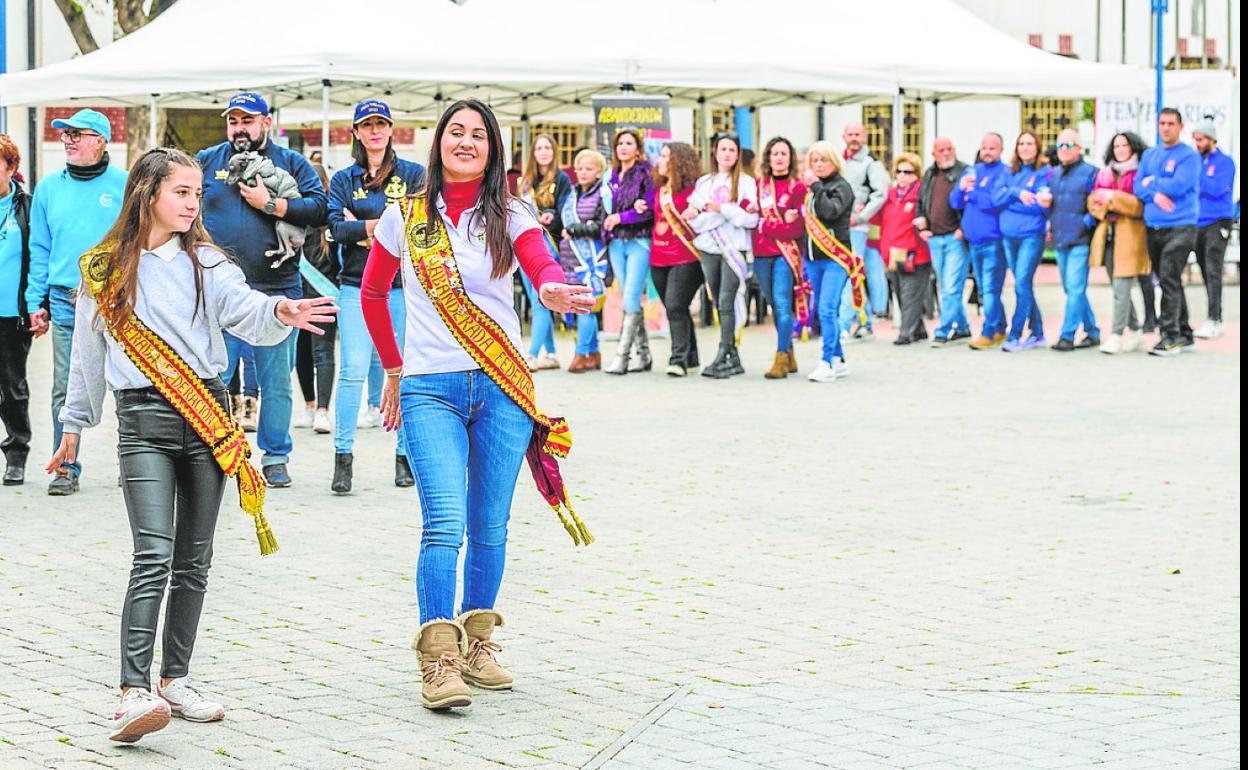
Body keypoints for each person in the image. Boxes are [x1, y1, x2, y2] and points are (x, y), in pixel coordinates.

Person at [50, 147, 336, 744]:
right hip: (143, 422)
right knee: (152, 554)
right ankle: (132, 691)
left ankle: (174, 680)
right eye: (182, 191)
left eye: (197, 194)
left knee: (194, 562)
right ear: (148, 191)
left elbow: (248, 310)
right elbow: (87, 357)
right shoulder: (104, 269)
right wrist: (73, 428)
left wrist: (281, 307)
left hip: (208, 417)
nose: (192, 203)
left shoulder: (208, 263)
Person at [359, 99, 594, 711]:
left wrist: (550, 289)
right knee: (444, 521)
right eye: (455, 132)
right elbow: (373, 290)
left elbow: (539, 263)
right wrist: (391, 365)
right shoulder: (405, 216)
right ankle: (437, 658)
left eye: (478, 135)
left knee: (489, 524)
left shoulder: (510, 210)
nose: (465, 142)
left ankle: (478, 644)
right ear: (439, 143)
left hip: (501, 387)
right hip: (430, 388)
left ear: (493, 148)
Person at [197, 92, 328, 487]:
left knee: (275, 382)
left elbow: (321, 209)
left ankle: (275, 456)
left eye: (247, 120)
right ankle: (216, 451)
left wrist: (273, 205)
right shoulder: (207, 161)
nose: (239, 128)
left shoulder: (290, 163)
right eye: (233, 120)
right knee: (215, 377)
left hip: (277, 292)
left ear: (265, 123)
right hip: (221, 291)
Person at [24, 109, 127, 495]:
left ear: (100, 141)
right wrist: (36, 300)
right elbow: (40, 248)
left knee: (127, 386)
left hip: (117, 301)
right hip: (66, 300)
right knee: (65, 389)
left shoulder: (125, 184)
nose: (67, 140)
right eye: (65, 134)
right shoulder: (49, 188)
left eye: (77, 134)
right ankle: (65, 467)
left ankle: (133, 464)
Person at [326, 99, 425, 494]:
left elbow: (416, 225)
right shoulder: (343, 179)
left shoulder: (413, 174)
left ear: (391, 129)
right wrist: (381, 226)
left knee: (402, 369)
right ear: (356, 132)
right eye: (367, 125)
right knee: (351, 370)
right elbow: (334, 228)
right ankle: (342, 458)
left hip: (403, 287)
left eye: (381, 124)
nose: (375, 131)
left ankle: (404, 456)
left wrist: (364, 228)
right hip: (354, 284)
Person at [688, 131, 759, 379]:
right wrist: (718, 214)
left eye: (732, 150)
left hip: (733, 248)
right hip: (709, 247)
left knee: (728, 299)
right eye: (723, 149)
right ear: (715, 152)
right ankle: (734, 357)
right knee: (718, 300)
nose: (727, 154)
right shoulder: (704, 183)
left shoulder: (747, 183)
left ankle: (722, 354)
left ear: (738, 154)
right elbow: (695, 220)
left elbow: (750, 219)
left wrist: (723, 209)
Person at [1134, 108, 1200, 357]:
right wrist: (1154, 192)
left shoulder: (1189, 157)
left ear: (1180, 127)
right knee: (1167, 279)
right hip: (1154, 227)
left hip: (1181, 227)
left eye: (1171, 123)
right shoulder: (1150, 155)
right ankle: (1185, 332)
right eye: (1162, 123)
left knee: (1169, 277)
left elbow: (1180, 185)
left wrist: (1153, 182)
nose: (1166, 128)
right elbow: (1137, 185)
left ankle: (1169, 336)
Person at [802, 141, 860, 383]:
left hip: (835, 258)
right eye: (814, 160)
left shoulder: (842, 187)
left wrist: (816, 186)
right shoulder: (811, 191)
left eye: (823, 160)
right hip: (814, 259)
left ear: (834, 162)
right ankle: (839, 359)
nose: (818, 165)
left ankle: (826, 362)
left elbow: (830, 212)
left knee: (827, 309)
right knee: (824, 310)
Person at [1089, 131, 1150, 354]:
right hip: (1108, 235)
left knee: (1122, 287)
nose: (1121, 150)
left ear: (1133, 147)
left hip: (1131, 236)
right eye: (1116, 146)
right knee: (1118, 287)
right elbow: (1093, 203)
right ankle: (1135, 330)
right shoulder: (1105, 173)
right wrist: (1103, 201)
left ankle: (1116, 335)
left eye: (1125, 146)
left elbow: (1138, 206)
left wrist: (1112, 199)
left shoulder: (1141, 173)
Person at [752, 136, 808, 378]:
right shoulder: (758, 185)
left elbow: (795, 229)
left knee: (783, 303)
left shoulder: (798, 188)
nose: (779, 158)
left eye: (784, 153)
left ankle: (780, 357)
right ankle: (790, 353)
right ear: (768, 158)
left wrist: (766, 226)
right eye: (775, 153)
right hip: (761, 253)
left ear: (791, 158)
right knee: (774, 305)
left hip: (786, 253)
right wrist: (769, 223)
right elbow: (751, 216)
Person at [516, 134, 573, 371]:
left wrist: (552, 218)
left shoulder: (562, 179)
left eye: (547, 147)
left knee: (541, 300)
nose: (543, 152)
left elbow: (566, 211)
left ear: (554, 151)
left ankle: (531, 354)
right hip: (525, 243)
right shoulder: (525, 182)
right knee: (536, 300)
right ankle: (550, 353)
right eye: (539, 147)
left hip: (548, 243)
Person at [950, 133, 1012, 350]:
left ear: (1001, 150)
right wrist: (961, 188)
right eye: (984, 147)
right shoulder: (972, 171)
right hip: (973, 241)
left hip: (994, 240)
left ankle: (988, 330)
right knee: (984, 287)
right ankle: (999, 327)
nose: (987, 151)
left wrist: (973, 193)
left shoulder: (1005, 173)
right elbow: (954, 201)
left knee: (990, 289)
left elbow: (993, 202)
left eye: (992, 148)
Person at [649, 142, 705, 377]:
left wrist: (698, 212)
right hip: (658, 257)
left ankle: (678, 359)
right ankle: (691, 357)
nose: (660, 161)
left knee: (675, 305)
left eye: (665, 156)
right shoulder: (659, 189)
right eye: (660, 156)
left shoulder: (693, 190)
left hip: (686, 256)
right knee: (676, 308)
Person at [603, 129, 655, 374]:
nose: (623, 147)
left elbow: (648, 209)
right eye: (620, 143)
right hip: (616, 243)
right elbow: (605, 209)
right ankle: (644, 355)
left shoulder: (645, 174)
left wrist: (622, 216)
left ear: (637, 148)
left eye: (628, 143)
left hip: (638, 242)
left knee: (632, 298)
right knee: (628, 297)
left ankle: (622, 356)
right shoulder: (611, 175)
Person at [1045, 129, 1100, 352]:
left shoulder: (1091, 173)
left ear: (1079, 148)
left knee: (1076, 288)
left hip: (1080, 240)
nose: (1063, 150)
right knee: (1071, 289)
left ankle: (1067, 335)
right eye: (1060, 146)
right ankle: (1092, 330)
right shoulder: (1054, 174)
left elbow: (1096, 205)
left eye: (1068, 145)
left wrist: (1084, 223)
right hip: (1060, 238)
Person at [293, 161, 338, 432]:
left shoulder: (330, 223)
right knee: (301, 355)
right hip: (297, 298)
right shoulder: (294, 221)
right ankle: (310, 406)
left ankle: (323, 410)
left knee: (323, 353)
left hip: (324, 296)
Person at [999, 130, 1052, 352]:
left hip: (1031, 235)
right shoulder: (1010, 171)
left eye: (1030, 143)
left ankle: (1015, 334)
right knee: (1024, 286)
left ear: (1037, 147)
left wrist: (1011, 199)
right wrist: (1016, 193)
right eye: (1021, 143)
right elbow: (996, 197)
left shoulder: (1044, 172)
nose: (1025, 147)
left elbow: (1041, 206)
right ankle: (1038, 332)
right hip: (1008, 236)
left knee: (1021, 284)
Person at [916, 137, 971, 346]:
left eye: (949, 149)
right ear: (933, 154)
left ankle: (943, 330)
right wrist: (922, 226)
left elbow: (971, 203)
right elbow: (921, 201)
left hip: (955, 239)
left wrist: (963, 228)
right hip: (935, 239)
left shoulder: (965, 172)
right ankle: (963, 327)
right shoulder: (929, 174)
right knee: (947, 286)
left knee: (950, 287)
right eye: (941, 150)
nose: (946, 153)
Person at [0, 134, 33, 486]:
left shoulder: (26, 207)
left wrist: (36, 307)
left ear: (11, 168)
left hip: (11, 315)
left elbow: (37, 258)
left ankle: (16, 453)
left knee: (12, 388)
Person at [560, 148, 610, 373]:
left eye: (588, 169)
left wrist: (575, 229)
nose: (582, 173)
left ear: (599, 172)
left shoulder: (603, 194)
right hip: (570, 259)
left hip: (591, 261)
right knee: (578, 305)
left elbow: (601, 227)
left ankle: (581, 353)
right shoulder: (573, 193)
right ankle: (594, 353)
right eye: (579, 168)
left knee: (586, 307)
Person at [840, 122, 890, 341]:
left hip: (857, 227)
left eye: (857, 134)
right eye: (850, 134)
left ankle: (843, 324)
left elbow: (880, 194)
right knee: (853, 275)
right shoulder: (839, 161)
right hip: (837, 226)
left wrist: (860, 216)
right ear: (844, 136)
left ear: (865, 137)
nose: (853, 138)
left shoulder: (871, 164)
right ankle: (864, 321)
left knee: (850, 273)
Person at [879, 153, 931, 345]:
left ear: (916, 174)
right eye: (899, 172)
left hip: (915, 254)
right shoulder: (890, 196)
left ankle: (906, 333)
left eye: (908, 172)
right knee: (900, 293)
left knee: (911, 294)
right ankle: (918, 329)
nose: (902, 176)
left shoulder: (921, 196)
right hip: (892, 253)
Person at [1192, 119, 1236, 339]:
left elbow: (1218, 189)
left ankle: (1214, 319)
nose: (1197, 144)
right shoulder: (1195, 161)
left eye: (1200, 140)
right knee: (1203, 269)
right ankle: (1212, 316)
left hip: (1218, 221)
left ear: (1211, 139)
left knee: (1213, 269)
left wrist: (1197, 180)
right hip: (1197, 222)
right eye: (1195, 140)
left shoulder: (1225, 162)